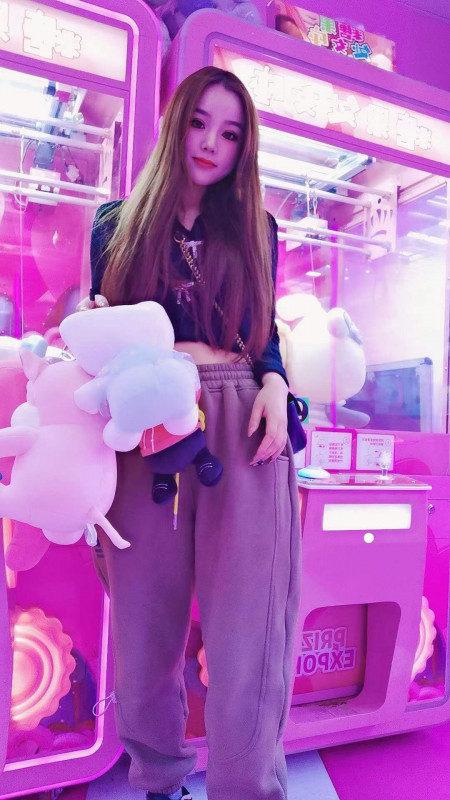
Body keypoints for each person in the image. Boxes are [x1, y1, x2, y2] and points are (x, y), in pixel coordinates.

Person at [78, 66, 301, 800]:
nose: (211, 143)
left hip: (242, 415)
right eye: (200, 123)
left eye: (230, 134)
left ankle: (246, 788)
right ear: (176, 123)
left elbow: (263, 336)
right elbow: (99, 332)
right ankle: (159, 783)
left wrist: (276, 384)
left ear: (244, 149)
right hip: (148, 422)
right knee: (144, 632)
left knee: (249, 634)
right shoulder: (114, 224)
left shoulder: (256, 227)